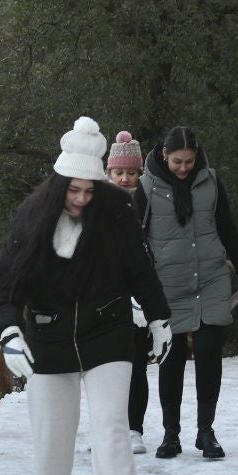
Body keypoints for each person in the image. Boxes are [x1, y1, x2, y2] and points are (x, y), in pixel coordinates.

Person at [0, 118, 173, 475]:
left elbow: (140, 270)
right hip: (49, 339)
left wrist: (159, 318)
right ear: (59, 186)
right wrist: (9, 332)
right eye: (73, 190)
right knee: (51, 436)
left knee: (112, 432)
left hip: (107, 334)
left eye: (89, 190)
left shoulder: (115, 213)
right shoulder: (31, 216)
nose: (81, 199)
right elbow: (5, 284)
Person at [135, 126, 238, 460]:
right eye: (177, 162)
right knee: (170, 359)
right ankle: (171, 434)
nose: (184, 168)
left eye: (189, 161)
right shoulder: (146, 187)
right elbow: (134, 243)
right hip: (167, 284)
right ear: (163, 155)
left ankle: (206, 431)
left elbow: (227, 227)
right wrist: (137, 291)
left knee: (208, 352)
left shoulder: (211, 182)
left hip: (211, 278)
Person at [106, 130, 153, 454]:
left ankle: (134, 428)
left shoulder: (150, 204)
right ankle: (110, 430)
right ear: (109, 172)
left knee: (137, 365)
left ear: (139, 173)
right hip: (104, 297)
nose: (124, 178)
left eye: (130, 172)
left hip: (140, 294)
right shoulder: (93, 201)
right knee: (105, 368)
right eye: (118, 172)